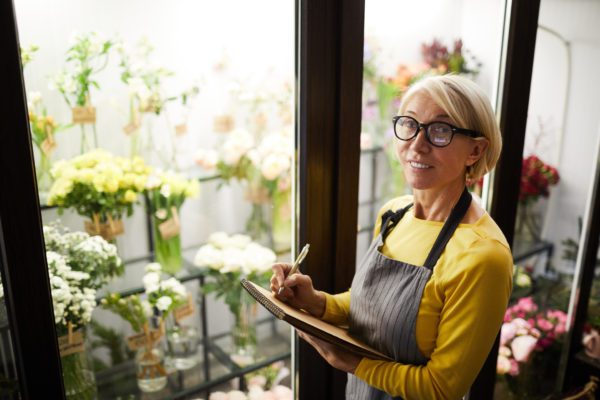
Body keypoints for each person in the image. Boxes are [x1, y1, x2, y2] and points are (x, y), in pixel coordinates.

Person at [270, 75, 513, 400]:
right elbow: (373, 308)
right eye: (409, 123)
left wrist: (355, 364)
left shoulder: (483, 256)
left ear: (476, 150)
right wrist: (316, 302)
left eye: (440, 130)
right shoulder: (393, 214)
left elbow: (442, 388)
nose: (417, 143)